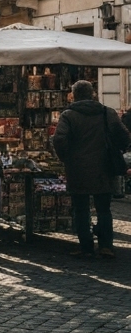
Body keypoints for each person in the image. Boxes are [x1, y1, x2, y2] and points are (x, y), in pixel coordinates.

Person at [53, 80, 131, 258]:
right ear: (92, 93)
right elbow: (124, 137)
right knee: (104, 208)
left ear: (74, 95)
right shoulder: (107, 113)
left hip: (77, 167)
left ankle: (86, 246)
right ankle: (106, 246)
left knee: (81, 209)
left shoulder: (69, 115)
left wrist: (65, 157)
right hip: (104, 167)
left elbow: (59, 139)